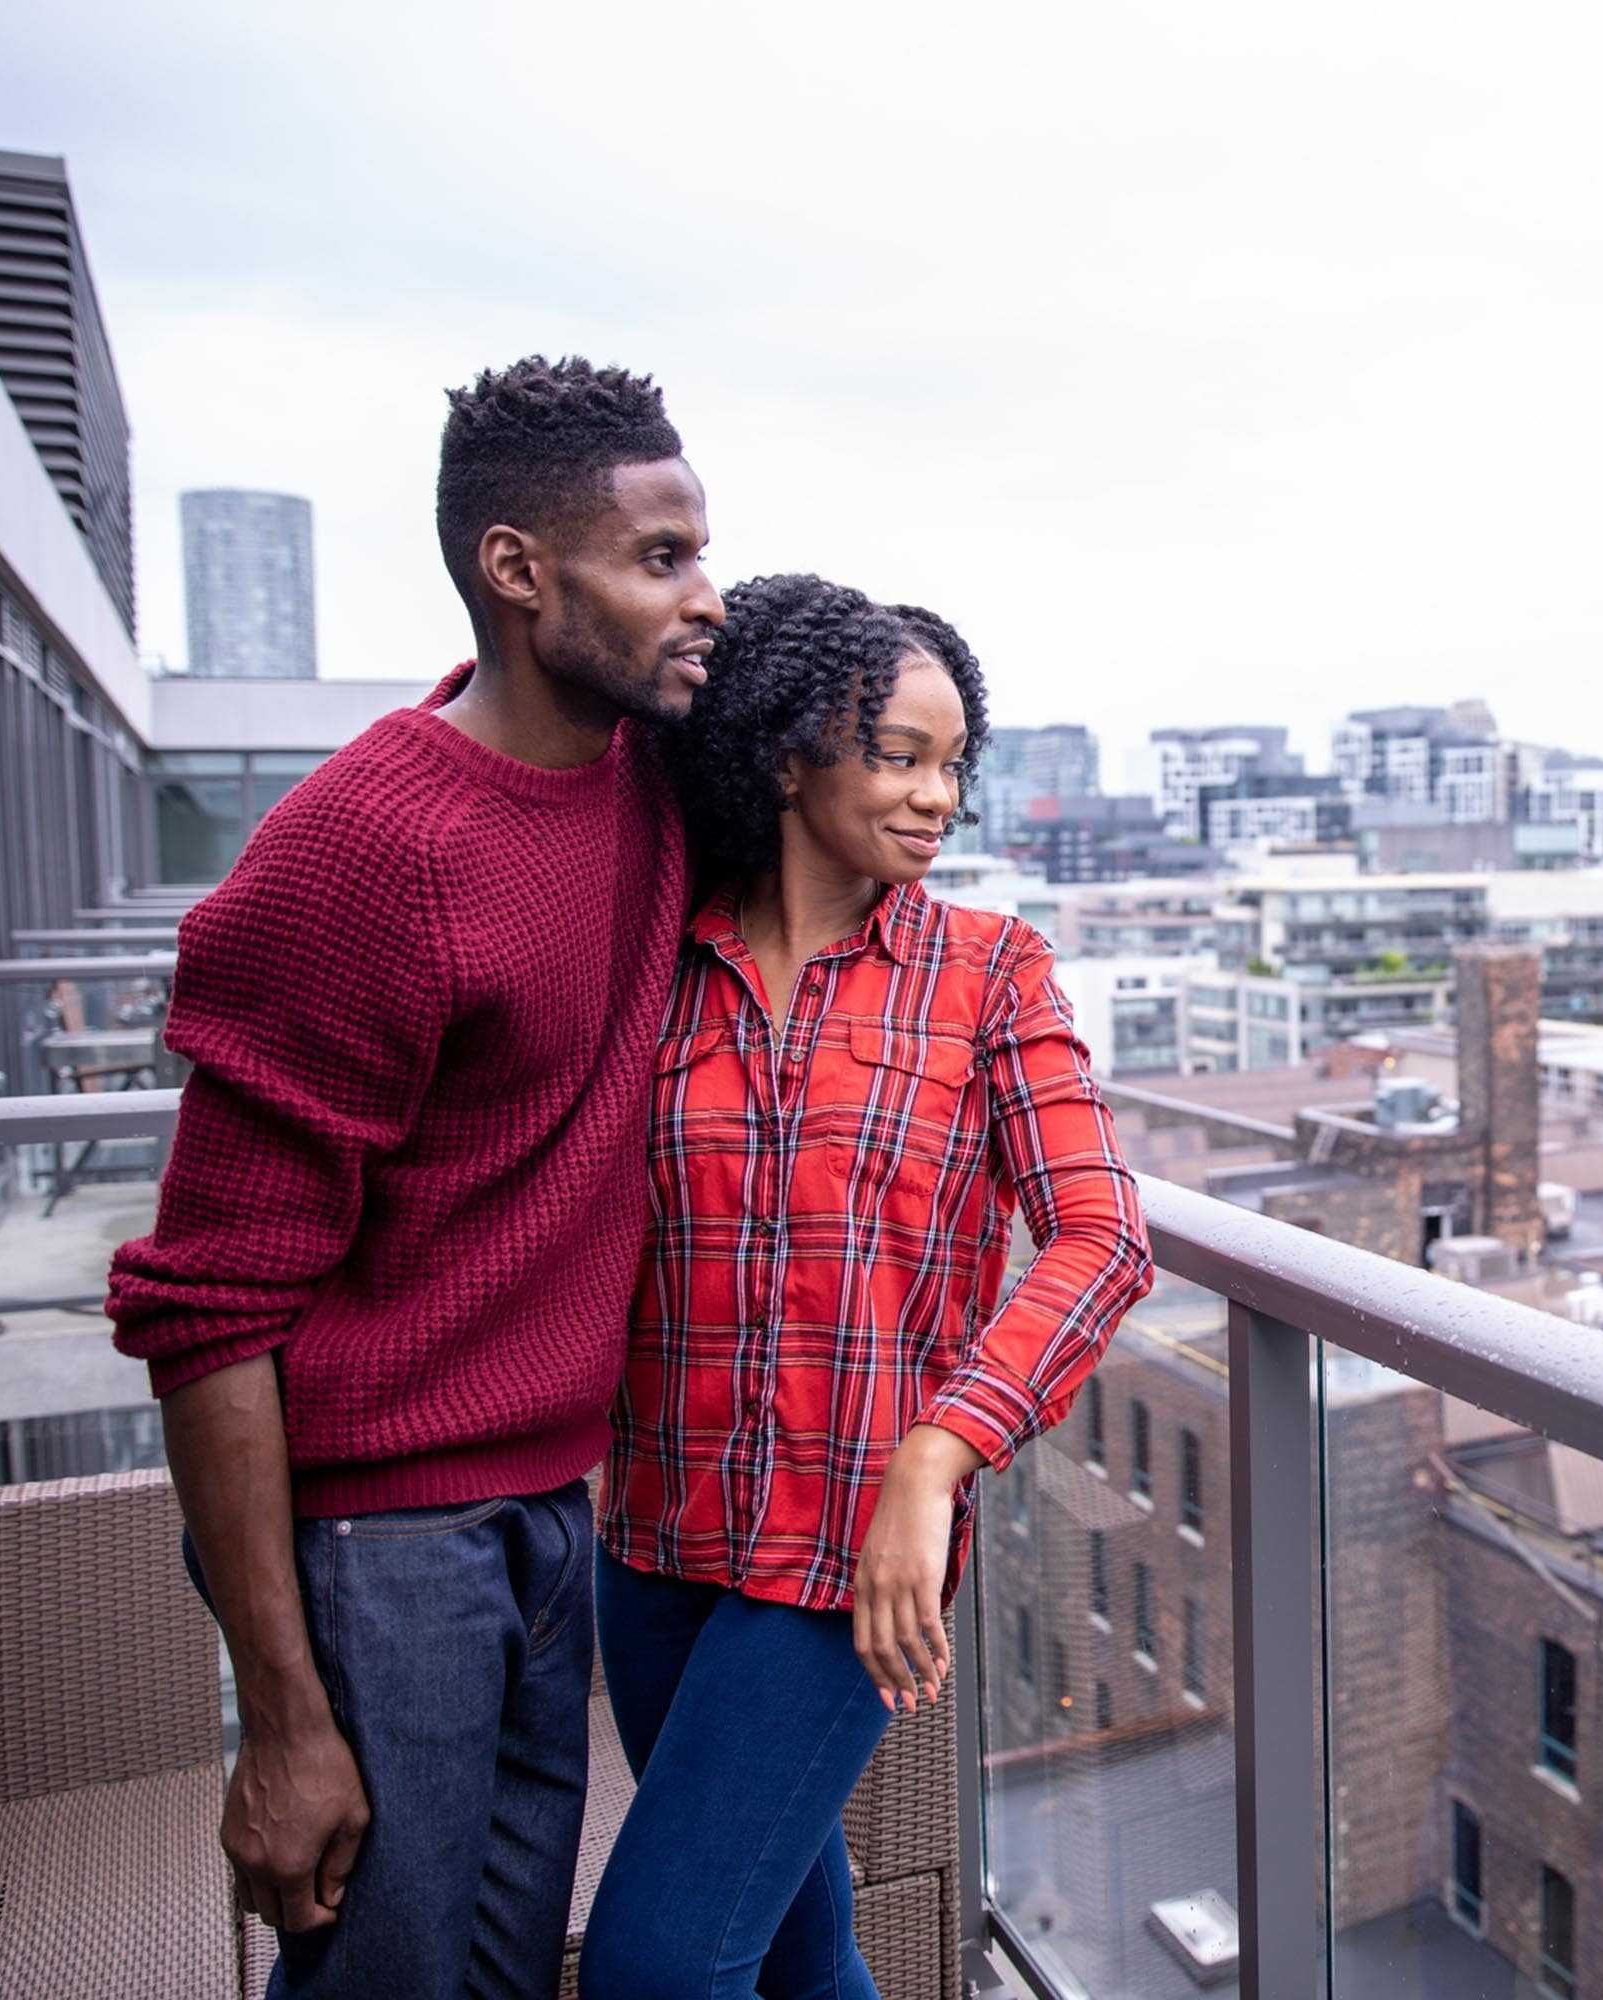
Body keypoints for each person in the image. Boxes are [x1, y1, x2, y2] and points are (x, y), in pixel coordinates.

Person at [107, 354, 723, 2000]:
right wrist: (283, 1719)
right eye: (661, 560)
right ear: (519, 572)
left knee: (509, 1972)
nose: (704, 600)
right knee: (382, 1972)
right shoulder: (363, 855)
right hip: (382, 1545)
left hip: (552, 1511)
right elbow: (208, 1310)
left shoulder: (651, 780)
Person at [580, 574, 1154, 1999]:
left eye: (954, 762)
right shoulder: (654, 966)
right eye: (900, 754)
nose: (935, 796)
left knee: (654, 1969)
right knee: (790, 1942)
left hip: (848, 1558)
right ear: (785, 751)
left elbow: (1101, 1236)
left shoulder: (989, 973)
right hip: (651, 1541)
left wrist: (936, 1457)